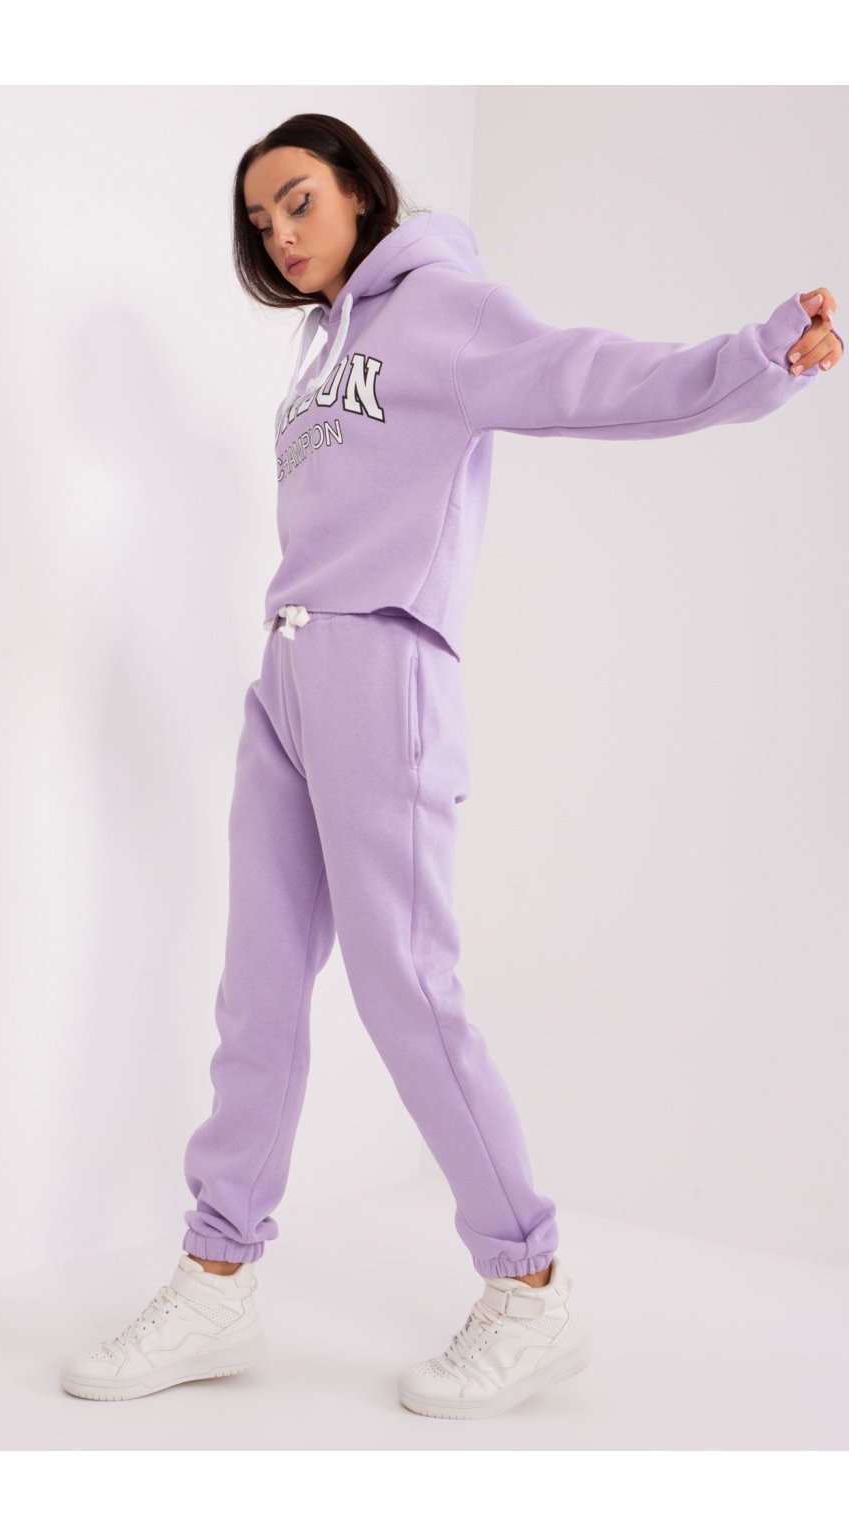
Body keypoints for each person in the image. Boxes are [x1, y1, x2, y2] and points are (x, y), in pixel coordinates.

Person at [61, 113, 842, 1414]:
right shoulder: (324, 347)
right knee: (258, 996)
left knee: (407, 987)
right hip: (288, 673)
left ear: (362, 192)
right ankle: (216, 1274)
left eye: (299, 200)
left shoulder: (440, 308)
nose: (281, 232)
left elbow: (585, 375)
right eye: (260, 220)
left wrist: (755, 359)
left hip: (384, 670)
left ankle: (528, 1285)